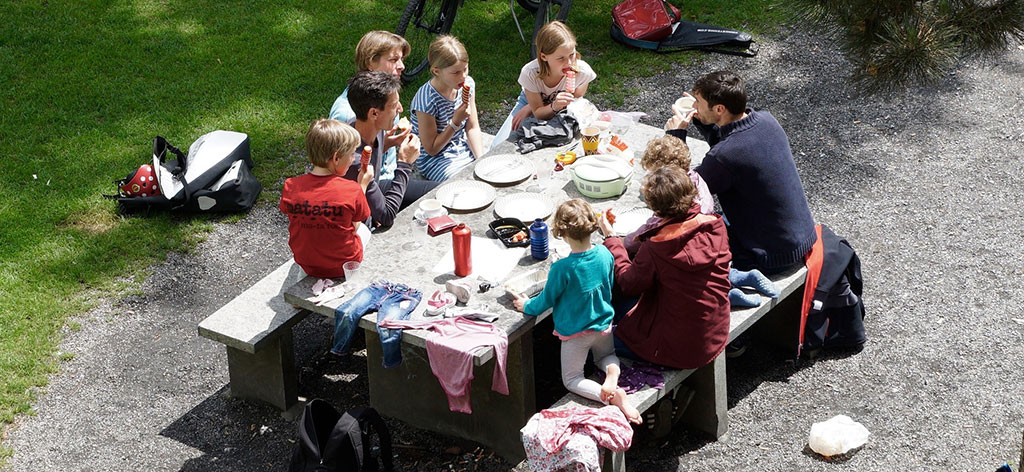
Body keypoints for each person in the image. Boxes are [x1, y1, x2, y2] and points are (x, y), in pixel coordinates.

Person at [665, 70, 816, 275]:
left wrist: (675, 137)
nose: (693, 107)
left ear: (719, 108)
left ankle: (735, 283)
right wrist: (702, 117)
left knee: (677, 246)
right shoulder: (766, 120)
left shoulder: (724, 157)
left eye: (698, 103)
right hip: (800, 237)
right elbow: (732, 139)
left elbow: (680, 190)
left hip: (770, 255)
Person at [512, 199, 641, 424]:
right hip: (603, 324)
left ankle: (609, 396)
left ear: (561, 233)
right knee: (607, 356)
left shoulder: (562, 268)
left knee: (572, 379)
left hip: (576, 333)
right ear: (592, 225)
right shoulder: (604, 253)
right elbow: (609, 283)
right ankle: (613, 373)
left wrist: (527, 306)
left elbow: (546, 300)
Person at [599, 167, 732, 370]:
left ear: (655, 208)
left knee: (599, 342)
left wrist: (611, 238)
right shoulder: (714, 224)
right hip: (715, 331)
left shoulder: (657, 246)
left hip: (678, 350)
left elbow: (628, 283)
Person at [279, 119, 374, 278]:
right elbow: (355, 225)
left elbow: (291, 214)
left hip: (306, 262)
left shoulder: (291, 186)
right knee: (364, 230)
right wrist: (362, 185)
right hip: (343, 266)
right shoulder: (351, 190)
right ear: (336, 158)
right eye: (351, 154)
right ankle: (355, 274)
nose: (353, 159)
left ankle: (303, 277)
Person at [490, 21, 596, 150]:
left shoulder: (582, 72)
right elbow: (539, 113)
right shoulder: (530, 73)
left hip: (561, 107)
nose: (569, 63)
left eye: (572, 55)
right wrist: (532, 107)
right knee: (498, 147)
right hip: (531, 101)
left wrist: (557, 106)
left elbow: (576, 101)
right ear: (544, 56)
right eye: (561, 58)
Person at [345, 70, 431, 229]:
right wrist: (405, 163)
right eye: (393, 105)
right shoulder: (355, 162)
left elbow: (369, 150)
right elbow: (386, 216)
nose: (400, 108)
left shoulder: (367, 127)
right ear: (374, 113)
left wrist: (389, 143)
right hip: (359, 229)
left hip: (375, 188)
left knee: (435, 192)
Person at [329, 31, 410, 187]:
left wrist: (388, 143)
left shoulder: (387, 96)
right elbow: (342, 171)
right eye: (394, 60)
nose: (402, 66)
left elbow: (365, 151)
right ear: (370, 63)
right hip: (371, 188)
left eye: (401, 59)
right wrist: (405, 163)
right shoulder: (348, 115)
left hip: (385, 176)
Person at [620, 135, 714, 258]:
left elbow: (649, 230)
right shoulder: (696, 178)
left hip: (676, 245)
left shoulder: (672, 204)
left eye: (654, 175)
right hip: (702, 239)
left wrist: (620, 242)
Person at [410, 35, 485, 181]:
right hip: (435, 160)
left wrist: (481, 160)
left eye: (465, 69)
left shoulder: (467, 85)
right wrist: (455, 122)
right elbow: (431, 149)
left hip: (462, 146)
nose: (463, 76)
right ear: (436, 71)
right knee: (463, 185)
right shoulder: (426, 101)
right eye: (456, 72)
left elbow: (472, 127)